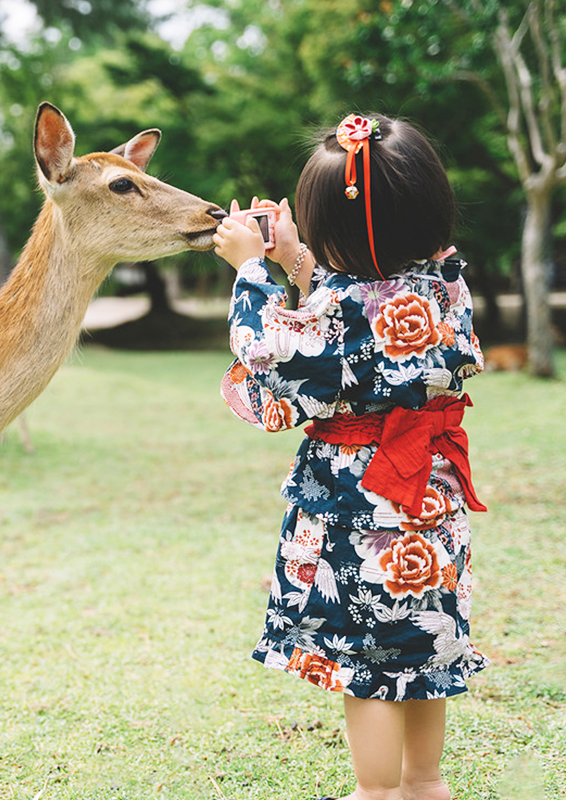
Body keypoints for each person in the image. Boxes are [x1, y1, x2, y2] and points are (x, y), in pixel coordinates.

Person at [212, 114, 489, 800]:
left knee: (368, 665)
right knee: (422, 647)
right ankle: (424, 783)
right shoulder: (444, 285)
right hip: (431, 503)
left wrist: (251, 267)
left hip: (361, 508)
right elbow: (353, 298)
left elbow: (270, 354)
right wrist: (298, 259)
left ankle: (376, 792)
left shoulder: (341, 309)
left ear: (331, 227)